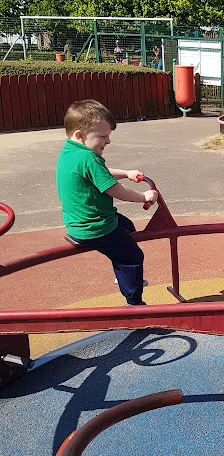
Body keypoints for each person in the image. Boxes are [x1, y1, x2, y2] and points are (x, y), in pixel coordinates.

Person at [56, 99, 158, 306]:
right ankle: (134, 304)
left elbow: (99, 174)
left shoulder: (70, 152)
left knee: (127, 226)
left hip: (79, 222)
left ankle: (123, 276)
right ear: (80, 135)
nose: (108, 141)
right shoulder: (88, 158)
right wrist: (144, 196)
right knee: (133, 257)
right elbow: (114, 190)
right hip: (96, 227)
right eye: (103, 136)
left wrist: (126, 173)